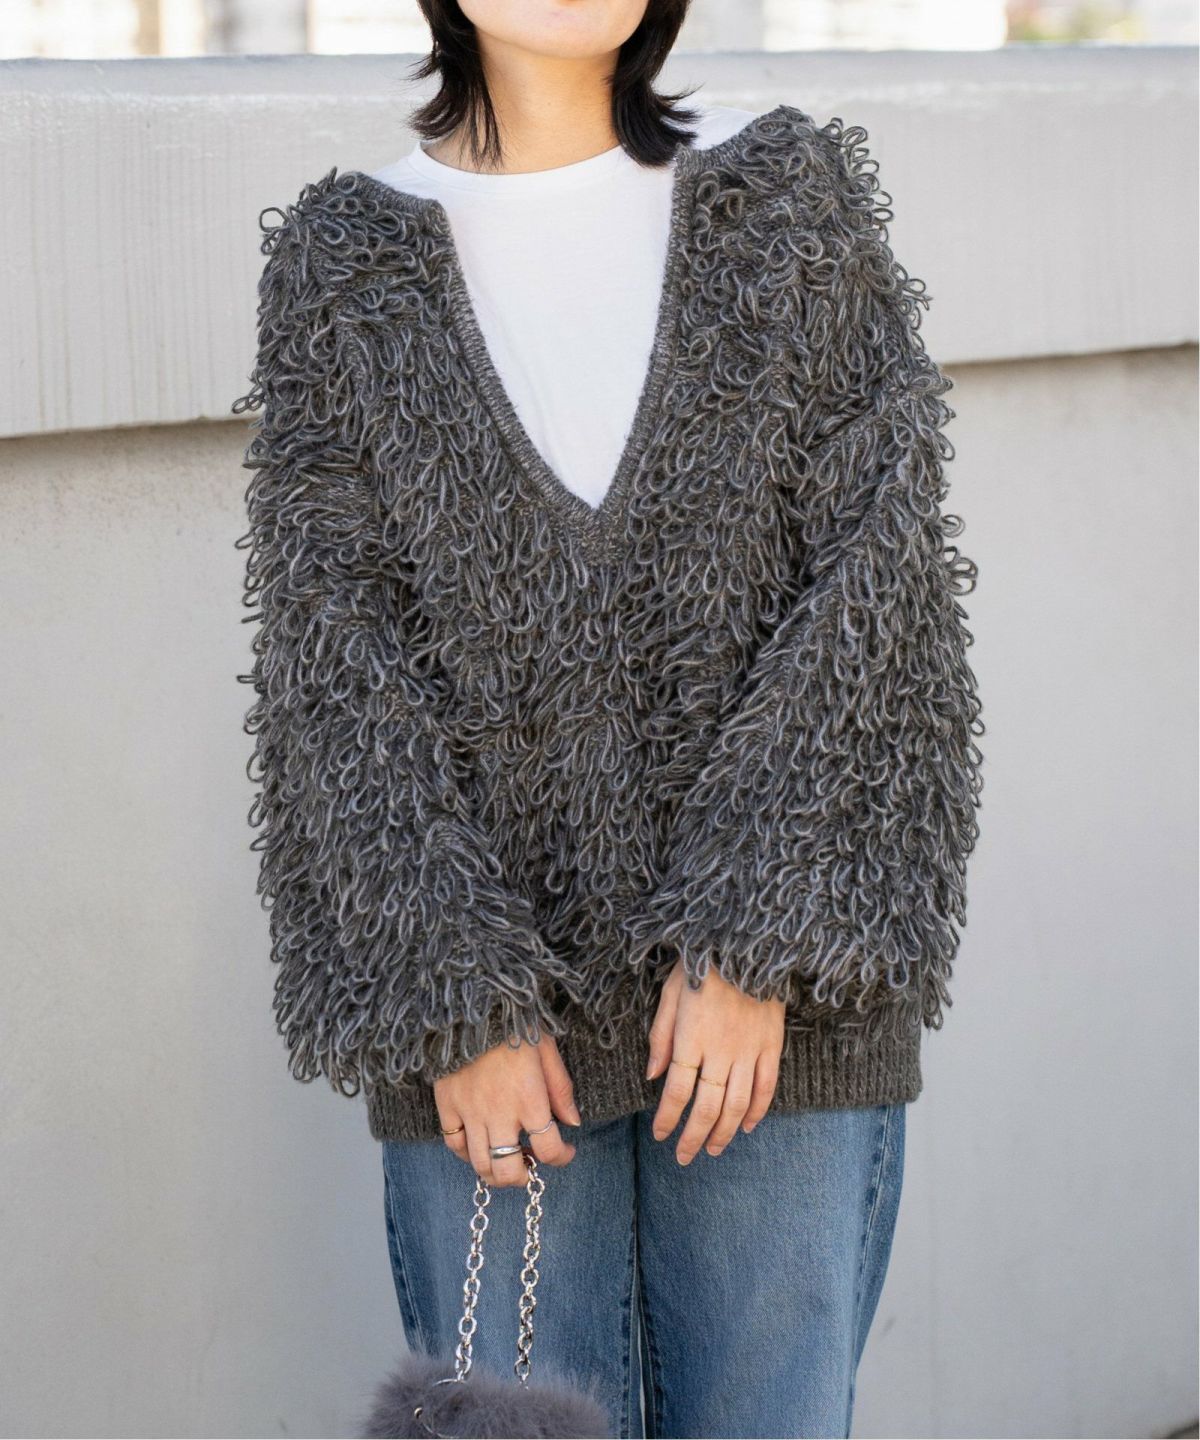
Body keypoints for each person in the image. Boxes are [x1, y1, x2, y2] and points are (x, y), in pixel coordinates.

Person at [233, 1, 985, 1435]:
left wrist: (757, 934)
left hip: (780, 1017)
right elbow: (334, 665)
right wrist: (454, 996)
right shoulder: (345, 262)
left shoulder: (786, 203)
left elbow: (881, 592)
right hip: (491, 1049)